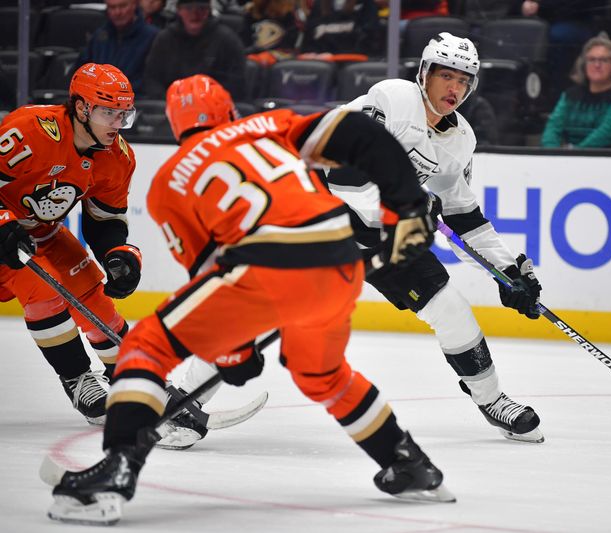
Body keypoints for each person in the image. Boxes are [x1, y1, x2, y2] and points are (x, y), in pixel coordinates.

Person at [46, 74, 452, 525]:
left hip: (265, 263)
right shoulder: (270, 125)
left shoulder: (168, 184)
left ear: (177, 128)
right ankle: (407, 462)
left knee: (145, 346)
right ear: (231, 113)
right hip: (338, 258)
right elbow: (361, 133)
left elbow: (212, 275)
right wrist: (408, 207)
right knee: (322, 373)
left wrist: (233, 349)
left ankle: (114, 472)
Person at [324, 33, 545, 443]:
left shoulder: (461, 140)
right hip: (316, 222)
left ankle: (492, 399)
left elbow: (463, 213)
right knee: (265, 312)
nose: (455, 88)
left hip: (381, 238)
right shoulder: (391, 100)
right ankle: (183, 401)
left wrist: (507, 269)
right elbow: (343, 176)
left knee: (452, 309)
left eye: (464, 80)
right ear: (424, 74)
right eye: (446, 76)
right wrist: (406, 205)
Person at [0, 63, 142, 425]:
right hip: (5, 233)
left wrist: (117, 254)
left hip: (40, 234)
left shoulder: (118, 157)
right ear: (82, 108)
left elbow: (105, 220)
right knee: (44, 288)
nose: (118, 123)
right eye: (109, 112)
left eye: (124, 114)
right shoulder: (29, 131)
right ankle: (78, 379)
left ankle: (136, 379)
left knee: (93, 296)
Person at [540, 35, 611, 149]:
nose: (597, 65)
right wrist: (552, 154)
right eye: (591, 59)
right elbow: (553, 128)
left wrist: (574, 154)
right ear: (584, 65)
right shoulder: (569, 95)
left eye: (603, 60)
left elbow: (604, 136)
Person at [143, 0, 246, 99]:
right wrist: (169, 100)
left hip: (214, 104)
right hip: (171, 105)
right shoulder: (165, 39)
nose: (195, 14)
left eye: (201, 8)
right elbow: (152, 78)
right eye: (188, 9)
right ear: (179, 11)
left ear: (208, 10)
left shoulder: (227, 39)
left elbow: (236, 81)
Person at [77, 0, 160, 93]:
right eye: (112, 7)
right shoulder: (99, 37)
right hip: (98, 99)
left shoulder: (153, 37)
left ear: (134, 5)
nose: (117, 12)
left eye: (123, 6)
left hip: (134, 101)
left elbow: (153, 81)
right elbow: (81, 72)